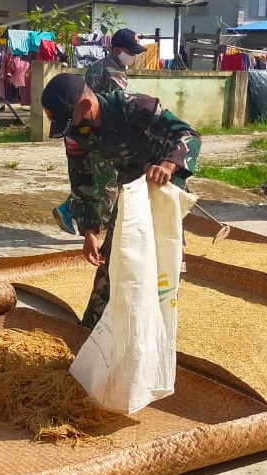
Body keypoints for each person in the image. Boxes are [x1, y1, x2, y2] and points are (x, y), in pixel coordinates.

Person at [42, 73, 201, 329]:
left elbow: (188, 135)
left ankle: (155, 334)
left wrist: (168, 166)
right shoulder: (76, 132)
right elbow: (82, 179)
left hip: (163, 188)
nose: (69, 130)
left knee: (160, 266)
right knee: (112, 262)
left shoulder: (135, 107)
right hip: (130, 192)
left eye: (69, 121)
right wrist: (90, 231)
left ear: (85, 106)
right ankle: (90, 338)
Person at [52, 29, 148, 236]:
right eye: (131, 52)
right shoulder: (115, 74)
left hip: (83, 133)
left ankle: (68, 209)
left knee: (93, 178)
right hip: (102, 134)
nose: (134, 56)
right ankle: (101, 232)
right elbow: (117, 109)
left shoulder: (96, 67)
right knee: (108, 184)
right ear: (117, 50)